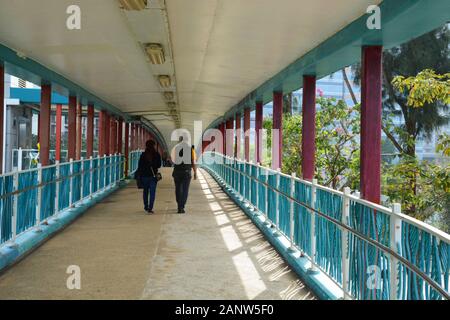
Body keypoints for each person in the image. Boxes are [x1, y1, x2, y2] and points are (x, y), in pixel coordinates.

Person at [171, 136, 197, 214]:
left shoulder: (176, 149)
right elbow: (193, 161)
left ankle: (179, 204)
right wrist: (195, 172)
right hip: (186, 172)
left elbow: (173, 160)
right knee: (185, 190)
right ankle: (181, 206)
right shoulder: (191, 149)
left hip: (177, 172)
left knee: (178, 189)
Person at [137, 140, 162, 214]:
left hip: (144, 176)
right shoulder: (157, 155)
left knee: (145, 191)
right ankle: (150, 208)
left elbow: (140, 166)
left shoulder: (143, 155)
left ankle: (146, 206)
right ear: (154, 146)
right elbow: (159, 165)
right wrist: (153, 165)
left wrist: (140, 175)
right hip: (153, 176)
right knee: (152, 192)